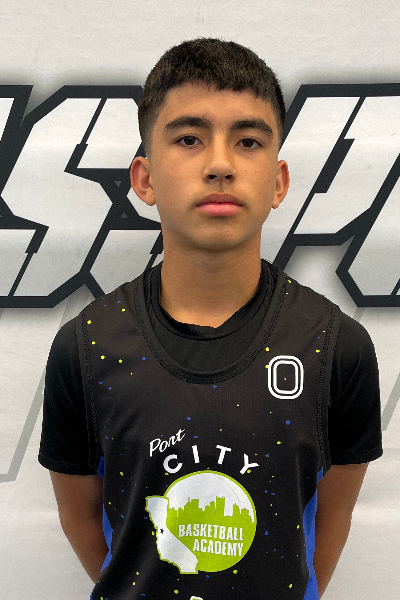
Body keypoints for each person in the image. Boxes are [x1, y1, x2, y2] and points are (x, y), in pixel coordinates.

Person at [38, 37, 382, 600]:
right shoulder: (86, 347)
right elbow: (80, 518)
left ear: (278, 181)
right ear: (145, 179)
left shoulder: (337, 348)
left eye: (248, 141)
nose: (220, 165)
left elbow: (330, 518)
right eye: (189, 139)